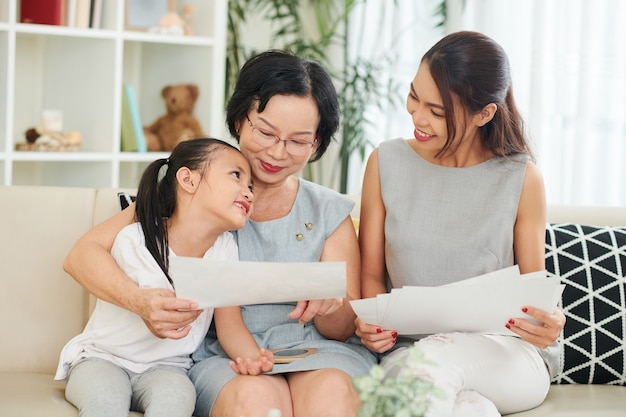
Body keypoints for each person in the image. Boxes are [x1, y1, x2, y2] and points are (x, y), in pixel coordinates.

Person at [62, 50, 376, 417]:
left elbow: (340, 329)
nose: (277, 151)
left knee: (332, 395)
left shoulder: (328, 210)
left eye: (298, 141)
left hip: (320, 351)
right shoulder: (187, 195)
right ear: (242, 119)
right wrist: (141, 302)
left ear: (317, 143)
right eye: (266, 131)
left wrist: (329, 304)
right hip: (226, 356)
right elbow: (81, 255)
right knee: (253, 400)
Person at [355, 31, 567, 417]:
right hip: (410, 353)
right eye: (414, 96)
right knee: (470, 407)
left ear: (484, 113)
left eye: (437, 111)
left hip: (508, 355)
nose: (417, 117)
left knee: (436, 359)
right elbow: (371, 274)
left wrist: (549, 321)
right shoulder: (385, 163)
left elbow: (534, 292)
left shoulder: (521, 177)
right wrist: (373, 321)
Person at [55, 138, 255, 417]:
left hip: (168, 367)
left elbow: (230, 324)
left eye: (251, 186)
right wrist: (140, 301)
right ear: (188, 179)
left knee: (177, 400)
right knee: (106, 401)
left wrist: (254, 359)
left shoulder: (225, 250)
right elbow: (80, 258)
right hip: (104, 359)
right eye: (236, 175)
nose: (248, 192)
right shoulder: (136, 237)